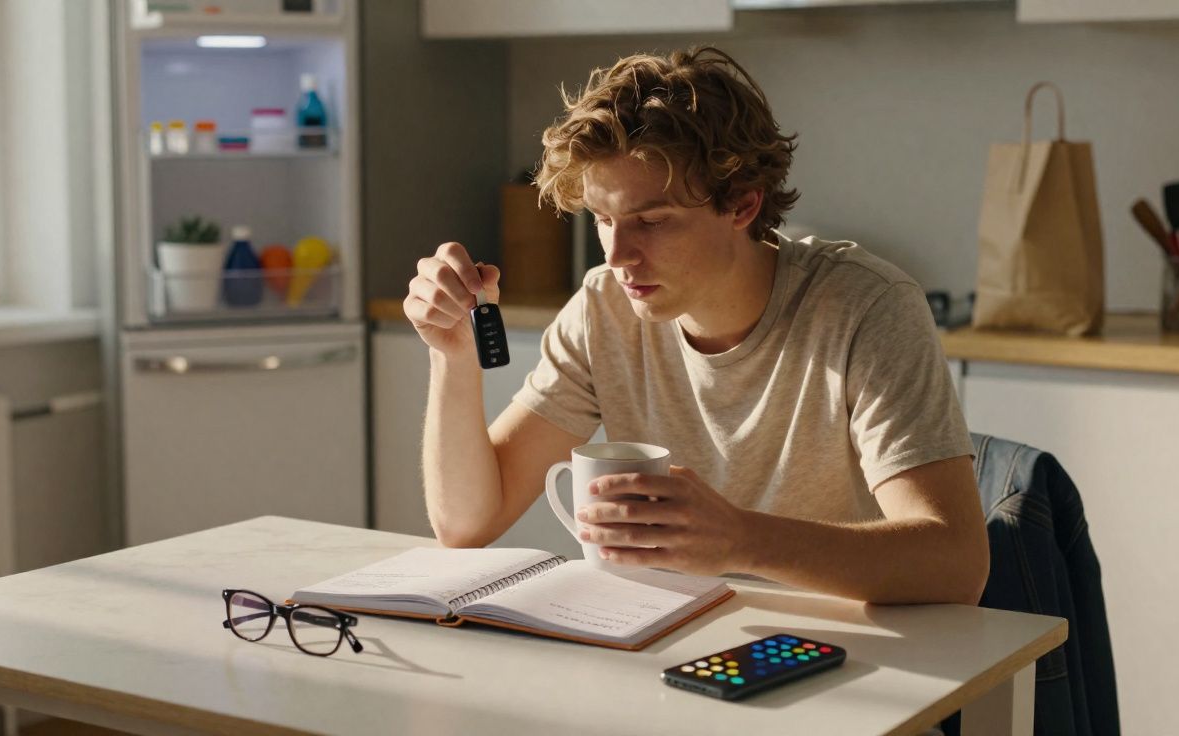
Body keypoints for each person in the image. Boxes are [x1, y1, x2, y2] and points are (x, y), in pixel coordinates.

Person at [402, 46, 988, 605]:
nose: (617, 255)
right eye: (604, 219)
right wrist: (452, 356)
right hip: (671, 642)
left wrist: (742, 540)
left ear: (742, 205)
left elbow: (956, 563)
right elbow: (467, 523)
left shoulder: (866, 307)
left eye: (652, 221)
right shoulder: (604, 309)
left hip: (842, 656)